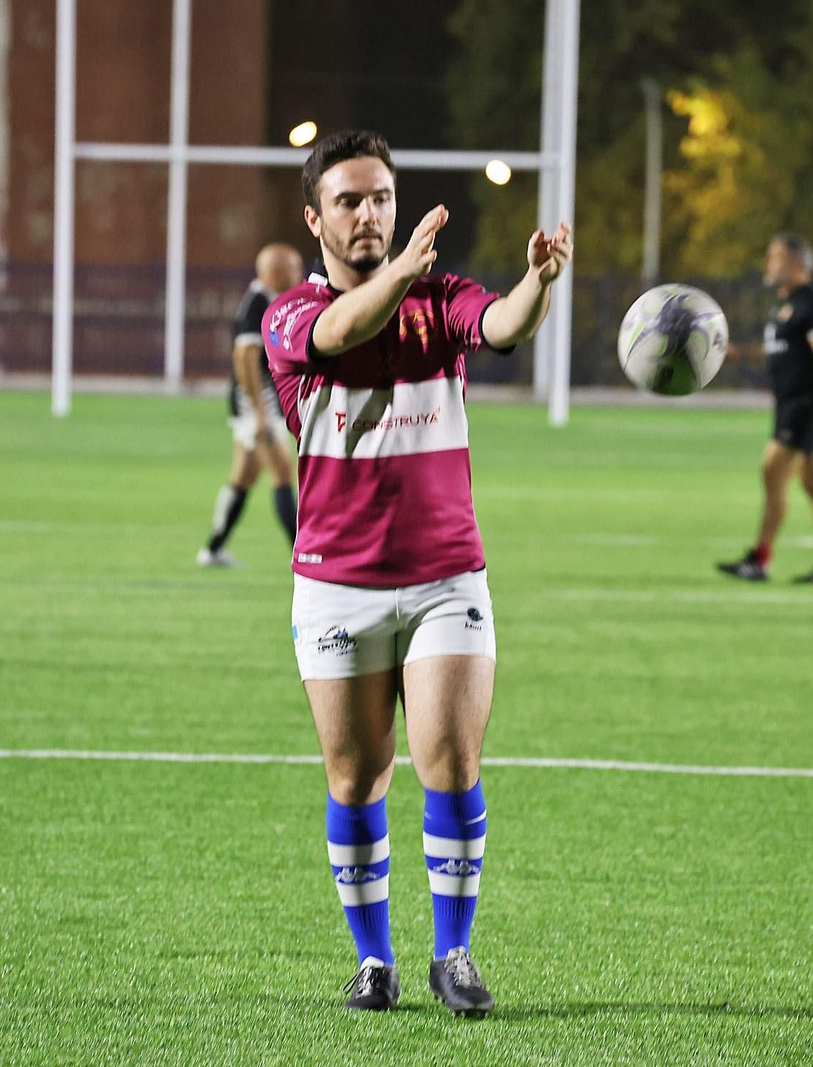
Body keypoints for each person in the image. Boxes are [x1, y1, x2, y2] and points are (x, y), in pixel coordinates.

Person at [262, 130, 572, 1016]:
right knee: (356, 778)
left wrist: (538, 284)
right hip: (337, 583)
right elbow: (341, 330)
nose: (370, 213)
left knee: (451, 760)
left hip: (445, 576)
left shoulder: (441, 299)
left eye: (382, 198)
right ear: (315, 218)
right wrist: (399, 272)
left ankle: (454, 953)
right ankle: (374, 961)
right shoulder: (288, 315)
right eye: (350, 200)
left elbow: (501, 324)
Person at [717, 234, 813, 583]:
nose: (769, 265)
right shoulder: (784, 305)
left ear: (795, 263)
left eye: (774, 258)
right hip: (789, 404)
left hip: (804, 405)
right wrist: (740, 354)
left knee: (772, 471)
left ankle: (760, 558)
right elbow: (779, 349)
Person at [196, 243, 305, 567]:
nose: (298, 274)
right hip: (255, 405)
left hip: (258, 403)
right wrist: (258, 412)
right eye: (293, 268)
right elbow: (244, 356)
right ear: (274, 272)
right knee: (283, 472)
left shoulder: (267, 299)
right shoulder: (257, 303)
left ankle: (213, 549)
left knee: (244, 476)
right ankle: (302, 555)